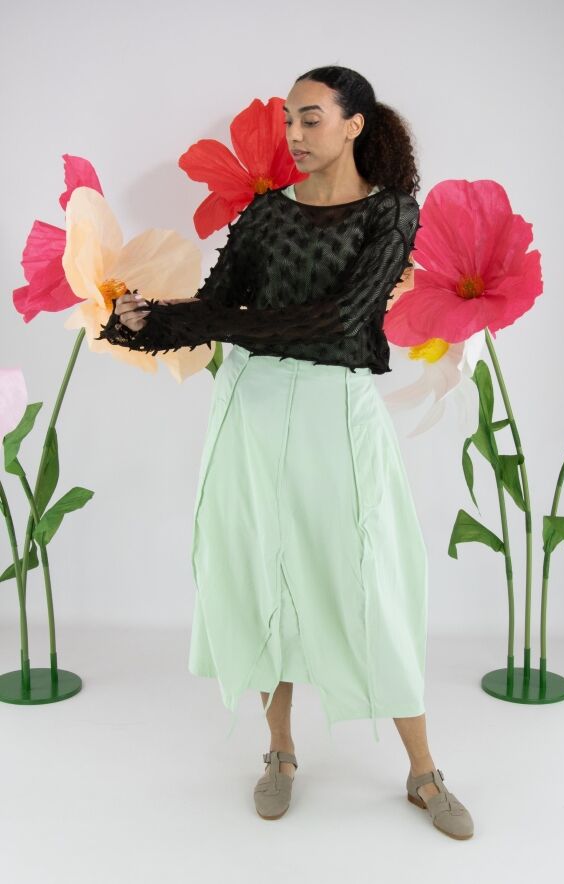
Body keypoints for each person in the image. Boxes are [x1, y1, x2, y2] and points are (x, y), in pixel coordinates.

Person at [98, 65, 474, 838]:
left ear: (354, 124)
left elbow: (340, 321)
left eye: (310, 119)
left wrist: (218, 324)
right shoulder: (266, 214)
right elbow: (215, 304)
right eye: (288, 121)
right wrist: (145, 321)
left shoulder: (390, 213)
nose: (295, 135)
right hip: (251, 407)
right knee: (260, 569)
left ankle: (422, 769)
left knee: (369, 577)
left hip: (338, 410)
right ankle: (279, 752)